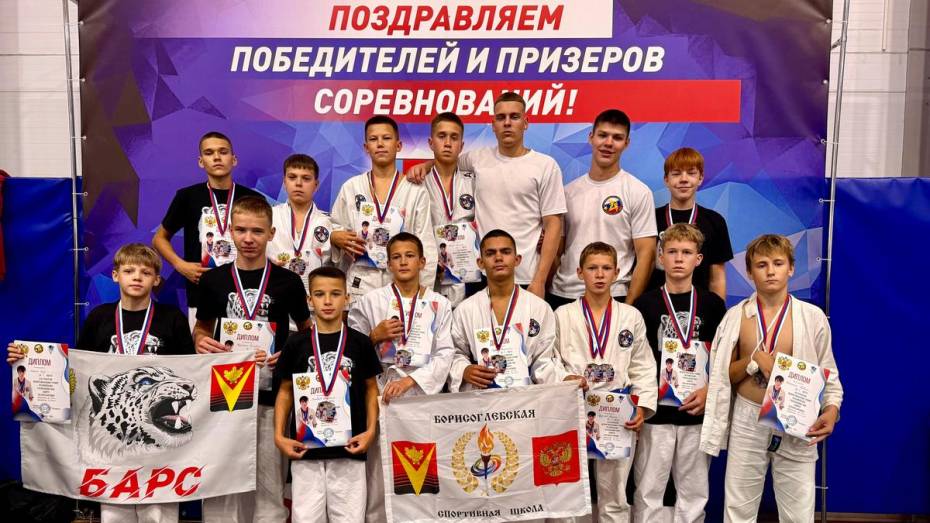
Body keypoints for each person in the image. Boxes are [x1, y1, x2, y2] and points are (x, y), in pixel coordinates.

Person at [8, 243, 195, 523]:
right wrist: (27, 363)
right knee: (114, 514)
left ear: (156, 280)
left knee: (158, 513)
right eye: (129, 271)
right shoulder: (100, 317)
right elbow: (78, 369)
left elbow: (192, 370)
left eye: (145, 273)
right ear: (116, 275)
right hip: (115, 436)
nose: (137, 277)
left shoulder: (172, 319)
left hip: (158, 437)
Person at [701, 234, 843, 522]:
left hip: (796, 418)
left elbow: (829, 373)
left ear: (791, 268)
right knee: (738, 509)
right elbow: (721, 377)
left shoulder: (812, 317)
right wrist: (753, 361)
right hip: (748, 417)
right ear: (749, 272)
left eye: (778, 263)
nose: (770, 271)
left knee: (799, 513)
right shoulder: (736, 317)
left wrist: (831, 411)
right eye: (761, 265)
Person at [194, 196, 311, 523]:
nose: (248, 238)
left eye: (257, 231)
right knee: (221, 478)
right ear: (230, 231)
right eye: (242, 230)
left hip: (271, 396)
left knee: (269, 482)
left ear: (271, 233)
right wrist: (200, 341)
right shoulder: (213, 280)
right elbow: (201, 328)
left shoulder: (288, 281)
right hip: (223, 396)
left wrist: (289, 353)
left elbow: (307, 333)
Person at [407, 93, 567, 299]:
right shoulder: (478, 159)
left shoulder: (545, 165)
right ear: (493, 125)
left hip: (527, 274)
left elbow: (554, 224)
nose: (507, 123)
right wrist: (425, 165)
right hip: (483, 275)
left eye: (514, 117)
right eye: (501, 118)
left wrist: (540, 280)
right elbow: (446, 160)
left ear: (526, 123)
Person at [347, 232, 454, 523]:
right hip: (382, 392)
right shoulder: (369, 302)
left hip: (420, 395)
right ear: (388, 264)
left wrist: (411, 381)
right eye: (396, 257)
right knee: (379, 470)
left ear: (422, 262)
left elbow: (445, 353)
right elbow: (349, 353)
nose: (403, 262)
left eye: (409, 256)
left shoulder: (439, 304)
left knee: (420, 466)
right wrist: (373, 336)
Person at [553, 241, 657, 523]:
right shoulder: (562, 315)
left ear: (617, 273)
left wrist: (642, 407)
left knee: (615, 497)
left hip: (616, 413)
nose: (599, 275)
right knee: (568, 491)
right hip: (574, 408)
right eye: (592, 268)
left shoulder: (630, 316)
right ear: (579, 272)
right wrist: (565, 378)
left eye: (606, 268)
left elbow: (643, 366)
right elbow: (549, 360)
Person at [632, 224, 726, 523]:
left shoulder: (713, 305)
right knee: (648, 489)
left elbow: (723, 359)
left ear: (698, 260)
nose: (678, 258)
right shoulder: (644, 304)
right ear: (660, 257)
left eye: (686, 252)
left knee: (694, 491)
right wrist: (641, 402)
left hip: (696, 410)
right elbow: (636, 360)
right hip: (655, 413)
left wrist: (709, 391)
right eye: (672, 252)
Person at [274, 267, 381, 523]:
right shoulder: (296, 343)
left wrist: (371, 431)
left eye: (335, 294)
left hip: (350, 448)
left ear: (347, 298)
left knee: (350, 518)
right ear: (310, 300)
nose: (328, 301)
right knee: (306, 518)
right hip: (306, 449)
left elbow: (371, 389)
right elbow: (285, 391)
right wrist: (279, 435)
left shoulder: (360, 342)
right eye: (320, 294)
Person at [549, 109, 657, 309]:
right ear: (591, 137)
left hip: (615, 295)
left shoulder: (638, 192)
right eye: (603, 135)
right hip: (564, 294)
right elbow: (556, 252)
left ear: (627, 143)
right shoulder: (567, 192)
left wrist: (628, 308)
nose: (608, 143)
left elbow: (647, 256)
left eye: (617, 138)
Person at [152, 131, 263, 324]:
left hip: (245, 293)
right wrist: (180, 265)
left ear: (234, 159)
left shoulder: (253, 198)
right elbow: (159, 238)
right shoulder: (187, 197)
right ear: (201, 161)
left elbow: (264, 241)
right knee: (202, 343)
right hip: (201, 293)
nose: (217, 157)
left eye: (223, 152)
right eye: (209, 153)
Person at [448, 230, 569, 392]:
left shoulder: (539, 308)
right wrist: (464, 370)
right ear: (480, 263)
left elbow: (543, 362)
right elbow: (455, 353)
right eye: (490, 253)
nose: (498, 257)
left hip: (525, 397)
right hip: (482, 396)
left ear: (517, 260)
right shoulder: (465, 309)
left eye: (505, 252)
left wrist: (565, 379)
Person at [330, 116, 436, 297]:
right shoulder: (352, 187)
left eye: (386, 138)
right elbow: (335, 227)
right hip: (360, 282)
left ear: (398, 145)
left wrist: (422, 294)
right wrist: (334, 237)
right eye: (373, 139)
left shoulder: (416, 192)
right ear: (366, 147)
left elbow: (425, 244)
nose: (380, 144)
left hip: (402, 284)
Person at [648, 147, 733, 300]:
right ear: (666, 179)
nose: (684, 179)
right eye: (676, 174)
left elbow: (717, 278)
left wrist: (718, 310)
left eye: (691, 173)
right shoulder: (650, 218)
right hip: (655, 306)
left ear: (700, 178)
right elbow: (643, 265)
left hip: (701, 307)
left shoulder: (714, 221)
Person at [422, 112, 480, 306]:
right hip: (431, 275)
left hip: (469, 277)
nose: (447, 143)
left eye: (454, 137)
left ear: (461, 146)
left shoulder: (475, 182)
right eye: (442, 136)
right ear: (431, 143)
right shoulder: (417, 183)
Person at [267, 154, 332, 305]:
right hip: (274, 297)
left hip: (314, 302)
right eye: (292, 177)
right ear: (284, 182)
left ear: (316, 185)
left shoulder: (328, 223)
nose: (298, 183)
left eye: (306, 178)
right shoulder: (268, 217)